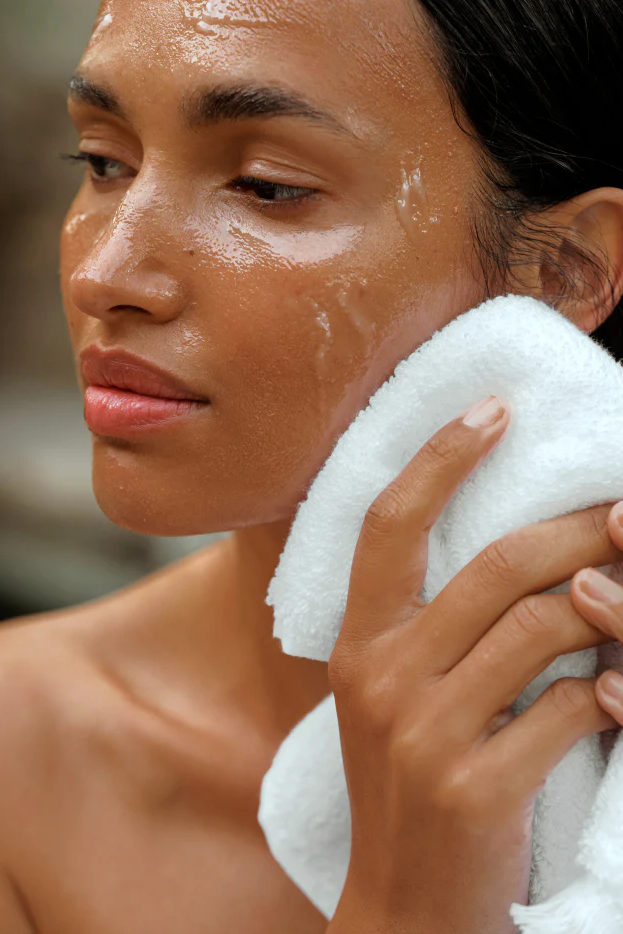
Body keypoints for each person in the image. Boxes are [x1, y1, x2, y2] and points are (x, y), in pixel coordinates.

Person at [1, 0, 623, 931]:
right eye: (103, 162)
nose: (107, 273)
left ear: (562, 270)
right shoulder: (24, 760)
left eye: (264, 185)